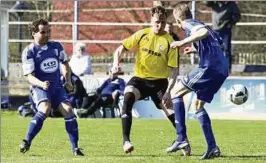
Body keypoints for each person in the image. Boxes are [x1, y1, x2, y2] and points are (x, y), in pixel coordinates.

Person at [111, 6, 179, 153]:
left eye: (162, 22)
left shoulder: (170, 42)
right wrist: (116, 64)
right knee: (127, 97)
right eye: (156, 22)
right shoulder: (142, 34)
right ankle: (126, 141)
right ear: (151, 20)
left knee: (169, 111)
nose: (159, 25)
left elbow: (174, 70)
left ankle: (183, 139)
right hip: (140, 80)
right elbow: (120, 49)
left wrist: (168, 91)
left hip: (160, 82)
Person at [165, 4, 229, 159]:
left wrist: (182, 42)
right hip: (222, 69)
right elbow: (220, 43)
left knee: (175, 92)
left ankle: (181, 139)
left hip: (209, 68)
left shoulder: (190, 24)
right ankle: (212, 147)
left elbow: (202, 32)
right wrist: (196, 49)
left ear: (179, 20)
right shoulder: (202, 24)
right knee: (198, 106)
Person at [20, 18, 84, 156]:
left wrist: (68, 80)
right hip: (39, 88)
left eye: (49, 32)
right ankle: (27, 141)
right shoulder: (29, 51)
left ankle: (75, 148)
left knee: (68, 109)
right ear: (34, 33)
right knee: (45, 108)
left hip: (57, 88)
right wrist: (41, 84)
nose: (47, 35)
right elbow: (29, 76)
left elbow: (65, 63)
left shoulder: (56, 46)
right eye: (43, 32)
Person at [204, 1, 241, 73]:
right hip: (215, 30)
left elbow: (237, 15)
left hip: (226, 30)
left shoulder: (231, 4)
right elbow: (206, 2)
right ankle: (215, 68)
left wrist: (230, 23)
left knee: (227, 49)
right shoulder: (214, 3)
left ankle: (227, 69)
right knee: (215, 49)